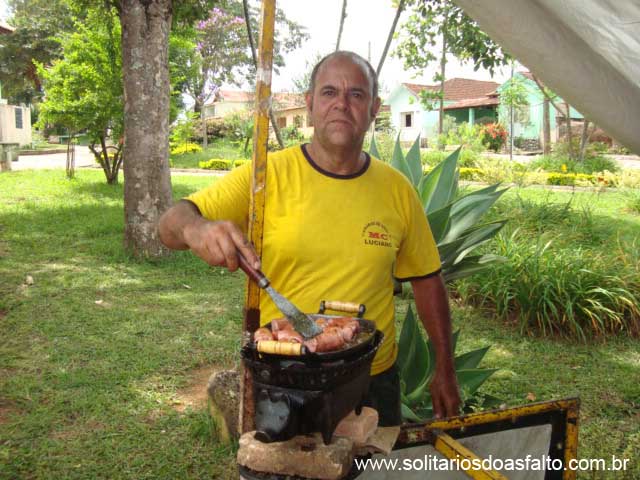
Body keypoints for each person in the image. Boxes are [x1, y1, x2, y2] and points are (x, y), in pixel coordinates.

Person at [158, 51, 460, 425]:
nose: (341, 104)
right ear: (310, 104)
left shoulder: (398, 190)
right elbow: (170, 224)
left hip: (372, 379)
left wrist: (444, 367)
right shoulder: (266, 176)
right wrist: (196, 228)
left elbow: (427, 278)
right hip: (285, 377)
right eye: (329, 92)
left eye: (356, 95)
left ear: (374, 109)